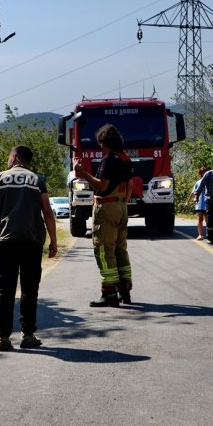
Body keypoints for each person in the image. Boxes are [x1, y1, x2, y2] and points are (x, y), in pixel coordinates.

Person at [0, 146, 58, 352]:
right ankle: (28, 335)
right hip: (32, 242)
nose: (8, 160)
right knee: (29, 290)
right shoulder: (37, 180)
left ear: (15, 157)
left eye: (9, 156)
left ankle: (4, 338)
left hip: (6, 242)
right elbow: (47, 212)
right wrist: (53, 241)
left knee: (5, 291)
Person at [73, 124, 134, 307]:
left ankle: (109, 293)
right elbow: (130, 184)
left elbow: (102, 186)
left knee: (104, 249)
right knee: (120, 249)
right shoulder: (125, 159)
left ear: (103, 142)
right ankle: (125, 289)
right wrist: (123, 203)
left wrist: (82, 172)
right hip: (122, 206)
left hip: (106, 207)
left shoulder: (108, 160)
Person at [185, 165, 209, 240]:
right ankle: (200, 234)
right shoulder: (198, 183)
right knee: (200, 219)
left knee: (208, 220)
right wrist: (187, 202)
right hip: (199, 204)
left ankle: (209, 234)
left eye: (206, 173)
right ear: (201, 174)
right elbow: (192, 193)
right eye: (203, 173)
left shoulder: (210, 182)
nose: (204, 175)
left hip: (208, 203)